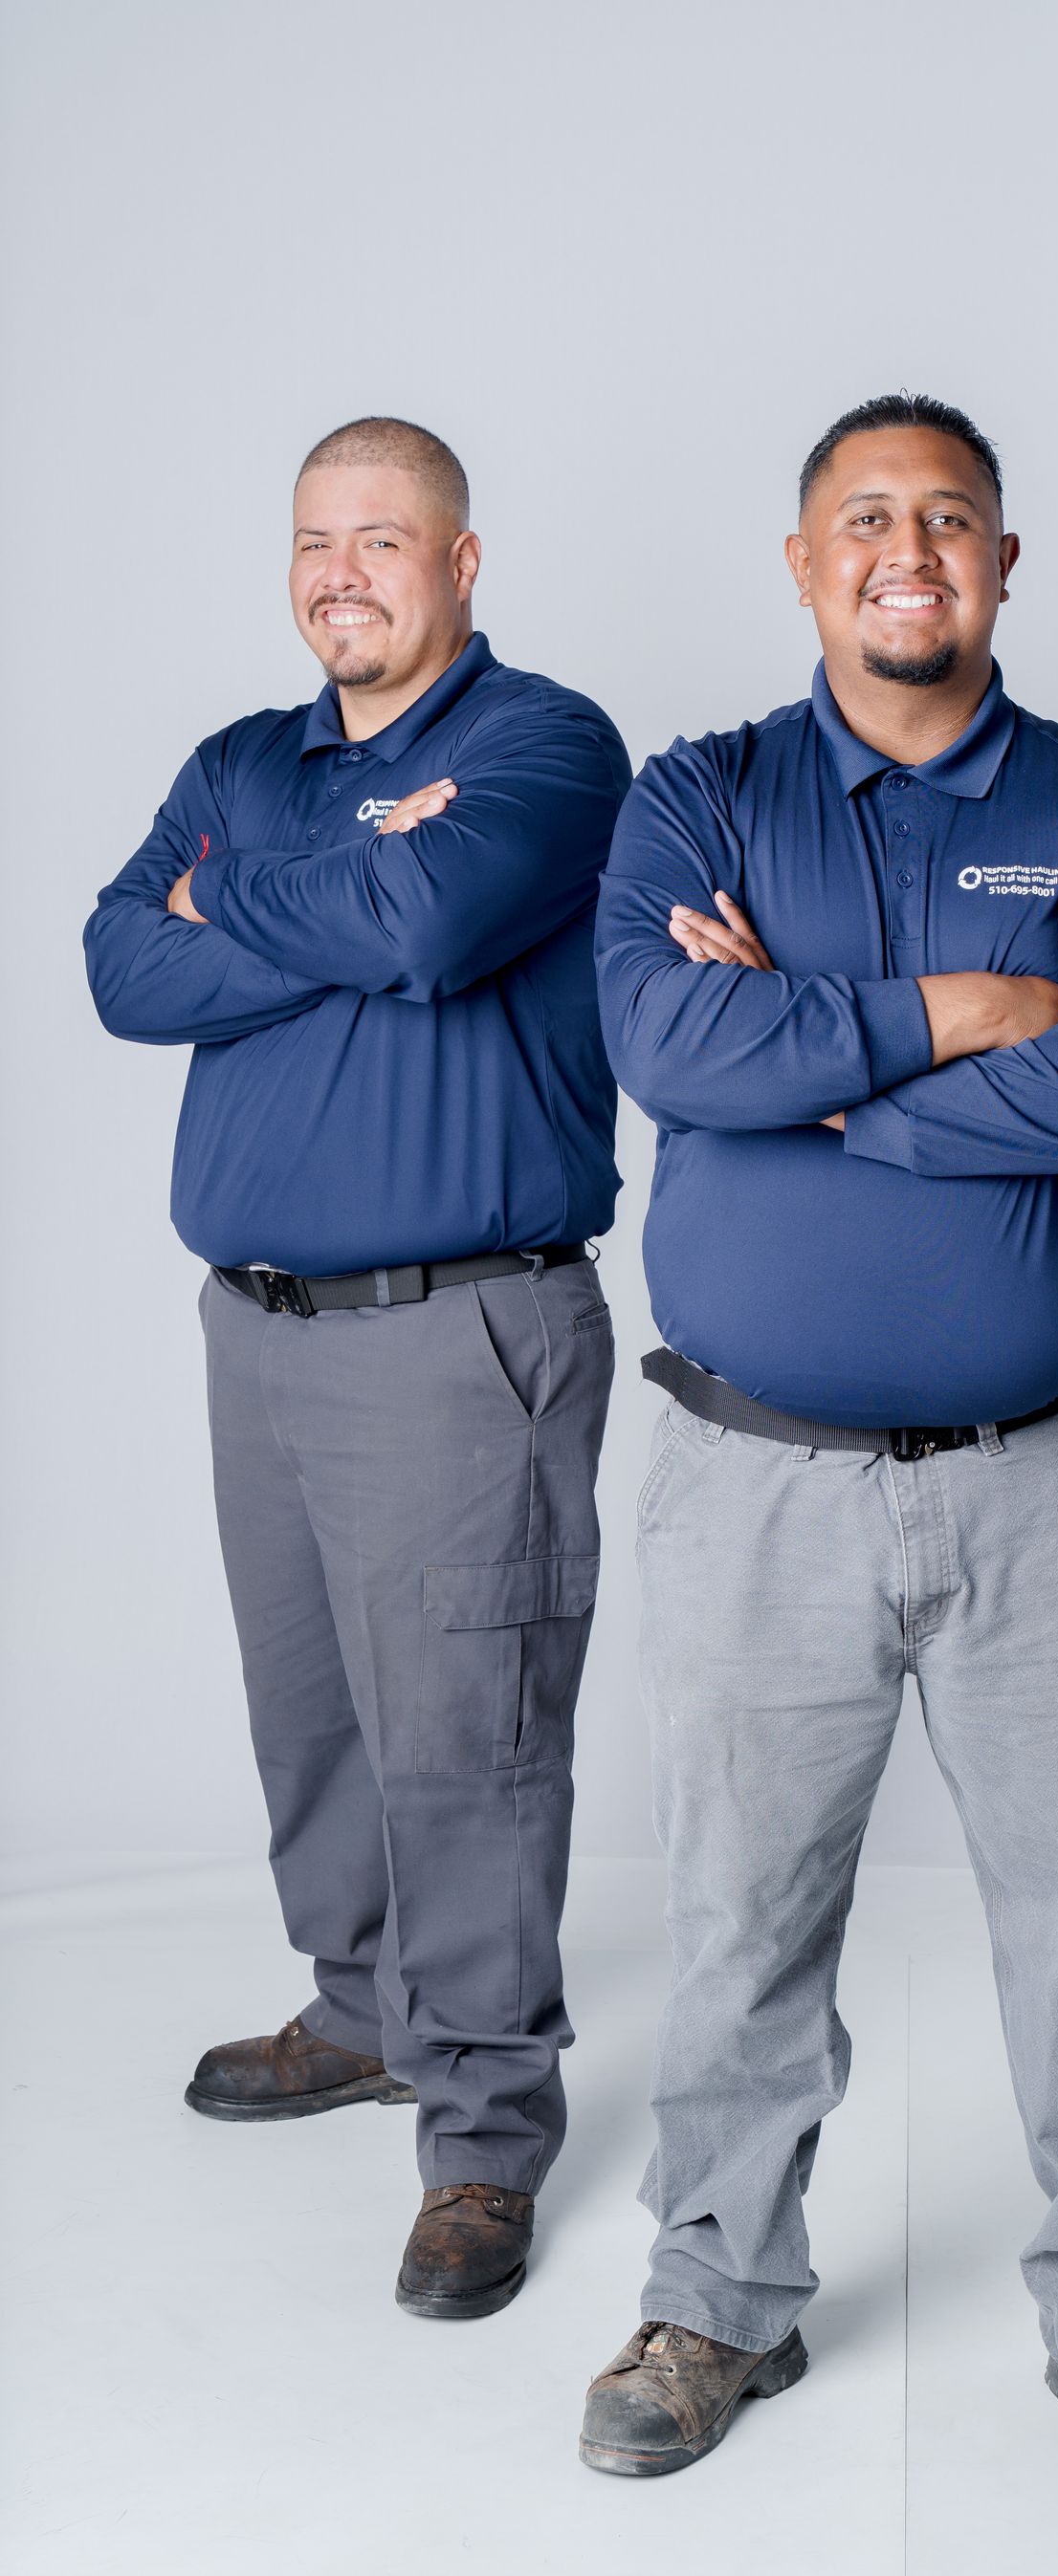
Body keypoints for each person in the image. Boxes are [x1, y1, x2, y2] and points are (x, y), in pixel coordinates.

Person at [584, 393, 1058, 2504]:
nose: (909, 552)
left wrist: (822, 1064)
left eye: (948, 519)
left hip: (1052, 1475)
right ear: (802, 564)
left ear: (1006, 562)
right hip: (751, 1483)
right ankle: (714, 2293)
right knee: (743, 1917)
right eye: (866, 519)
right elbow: (667, 1042)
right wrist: (969, 1009)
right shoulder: (697, 799)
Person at [84, 416, 630, 2321]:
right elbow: (111, 967)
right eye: (316, 540)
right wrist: (330, 882)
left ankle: (485, 2135)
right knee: (312, 1719)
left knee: (463, 1743)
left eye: (383, 541)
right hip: (263, 1332)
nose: (343, 573)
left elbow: (429, 924)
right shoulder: (246, 763)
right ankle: (366, 2008)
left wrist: (233, 901)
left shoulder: (548, 748)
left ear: (461, 563)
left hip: (459, 1330)